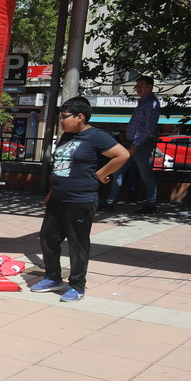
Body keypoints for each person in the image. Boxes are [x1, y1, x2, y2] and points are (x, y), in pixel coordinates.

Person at [31, 97, 129, 303]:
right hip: (58, 198)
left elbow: (122, 155)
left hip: (80, 200)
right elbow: (60, 166)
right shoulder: (67, 136)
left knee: (78, 244)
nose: (61, 121)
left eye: (64, 117)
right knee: (48, 238)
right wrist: (51, 191)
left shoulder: (96, 136)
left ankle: (77, 285)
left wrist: (100, 174)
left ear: (80, 116)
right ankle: (53, 278)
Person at [124, 75, 161, 214]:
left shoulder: (152, 104)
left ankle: (151, 204)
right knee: (119, 171)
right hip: (133, 143)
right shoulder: (143, 102)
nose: (138, 89)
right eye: (137, 86)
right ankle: (109, 201)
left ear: (149, 87)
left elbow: (148, 128)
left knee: (146, 175)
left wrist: (135, 145)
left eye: (141, 86)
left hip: (141, 144)